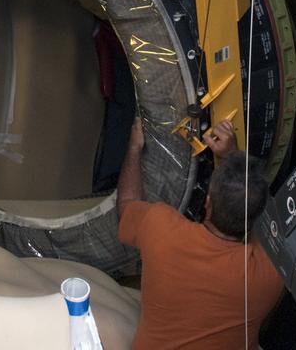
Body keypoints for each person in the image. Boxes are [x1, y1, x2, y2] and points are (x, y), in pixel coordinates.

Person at [117, 118, 282, 349]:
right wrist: (233, 156)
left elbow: (126, 204)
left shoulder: (161, 229)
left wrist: (134, 147)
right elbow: (272, 228)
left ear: (207, 203)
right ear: (250, 221)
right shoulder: (269, 275)